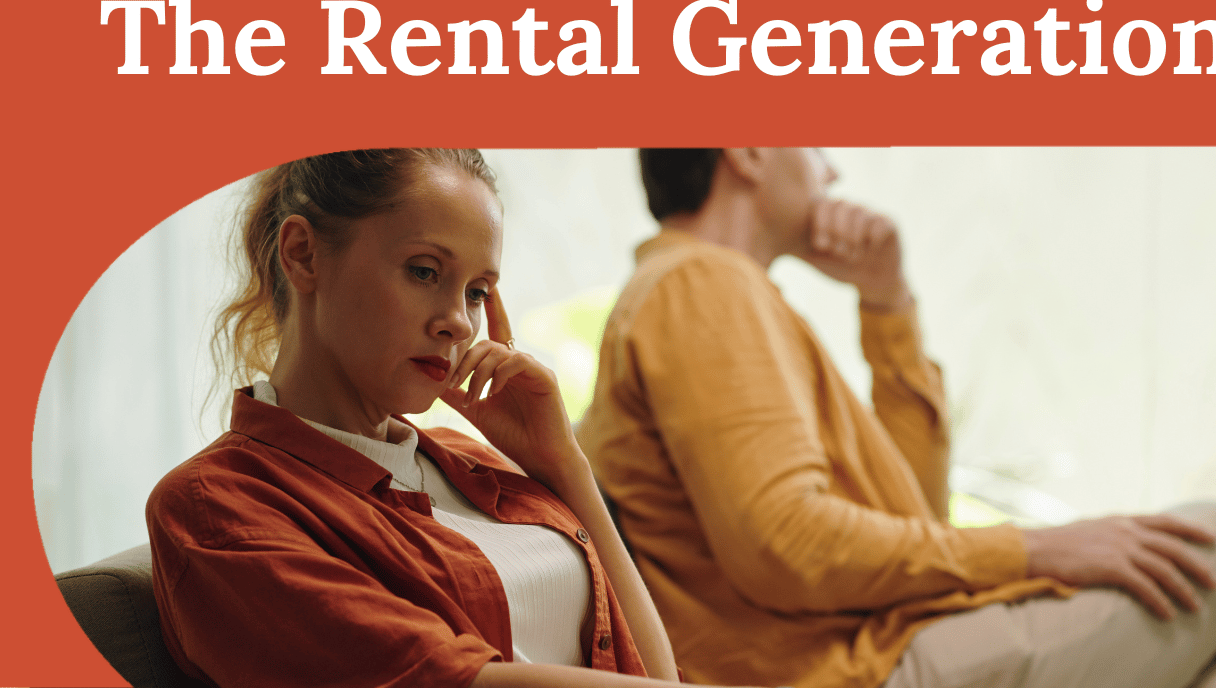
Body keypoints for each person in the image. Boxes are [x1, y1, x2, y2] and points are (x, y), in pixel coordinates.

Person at [579, 147, 1216, 688]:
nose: (833, 170)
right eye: (811, 141)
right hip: (838, 671)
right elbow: (787, 545)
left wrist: (887, 304)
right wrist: (1039, 549)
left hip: (872, 646)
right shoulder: (699, 284)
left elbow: (909, 510)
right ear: (744, 149)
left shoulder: (710, 289)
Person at [146, 149, 767, 688]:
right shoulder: (219, 504)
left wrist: (564, 466)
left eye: (476, 291)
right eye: (424, 272)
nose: (460, 322)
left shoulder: (476, 465)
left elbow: (653, 673)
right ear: (304, 254)